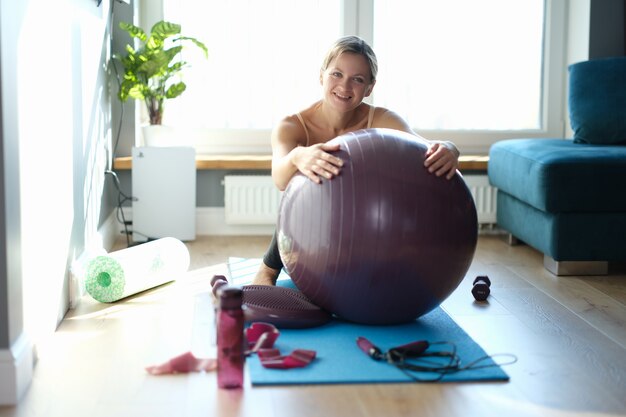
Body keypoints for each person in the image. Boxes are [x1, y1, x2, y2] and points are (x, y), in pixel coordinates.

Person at [252, 35, 460, 286]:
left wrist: (450, 148)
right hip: (313, 224)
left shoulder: (383, 120)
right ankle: (266, 270)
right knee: (304, 185)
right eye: (336, 74)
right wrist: (297, 156)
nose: (345, 86)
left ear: (369, 88)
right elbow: (280, 179)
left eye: (357, 79)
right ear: (321, 76)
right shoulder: (292, 126)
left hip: (370, 228)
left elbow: (424, 149)